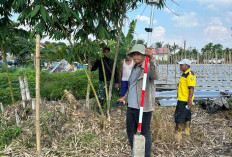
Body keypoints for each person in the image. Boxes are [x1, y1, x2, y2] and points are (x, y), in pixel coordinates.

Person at [118, 44, 159, 157]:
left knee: (145, 133)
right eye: (134, 54)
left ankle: (146, 155)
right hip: (131, 106)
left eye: (138, 54)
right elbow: (131, 87)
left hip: (143, 107)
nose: (135, 57)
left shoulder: (147, 67)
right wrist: (124, 98)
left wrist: (151, 59)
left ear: (143, 55)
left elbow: (155, 76)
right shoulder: (134, 68)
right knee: (130, 131)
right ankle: (136, 152)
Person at [174, 59, 196, 142]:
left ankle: (178, 135)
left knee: (179, 117)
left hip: (184, 100)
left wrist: (189, 100)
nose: (180, 66)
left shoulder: (190, 75)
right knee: (187, 115)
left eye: (181, 65)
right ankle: (187, 131)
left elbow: (191, 89)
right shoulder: (184, 74)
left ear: (187, 65)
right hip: (183, 99)